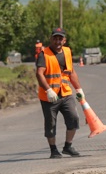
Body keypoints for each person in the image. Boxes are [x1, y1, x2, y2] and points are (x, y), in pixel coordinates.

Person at [35, 27, 85, 158]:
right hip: (49, 97)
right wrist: (48, 90)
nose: (57, 41)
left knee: (73, 118)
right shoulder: (44, 54)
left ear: (64, 40)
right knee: (50, 124)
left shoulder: (67, 52)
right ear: (51, 39)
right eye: (55, 38)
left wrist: (78, 89)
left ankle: (68, 146)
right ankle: (53, 150)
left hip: (66, 93)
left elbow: (71, 72)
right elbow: (39, 74)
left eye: (60, 38)